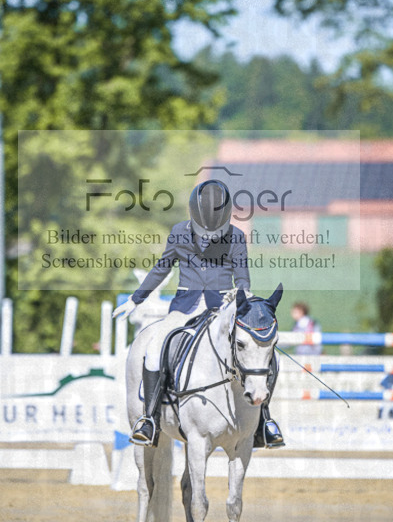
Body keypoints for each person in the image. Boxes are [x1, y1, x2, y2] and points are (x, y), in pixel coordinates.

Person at [113, 178, 285, 449]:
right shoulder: (180, 232)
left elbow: (242, 278)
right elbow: (161, 268)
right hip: (185, 306)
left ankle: (264, 420)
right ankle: (150, 419)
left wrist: (238, 293)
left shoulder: (236, 236)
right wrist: (136, 299)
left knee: (261, 352)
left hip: (222, 308)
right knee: (156, 346)